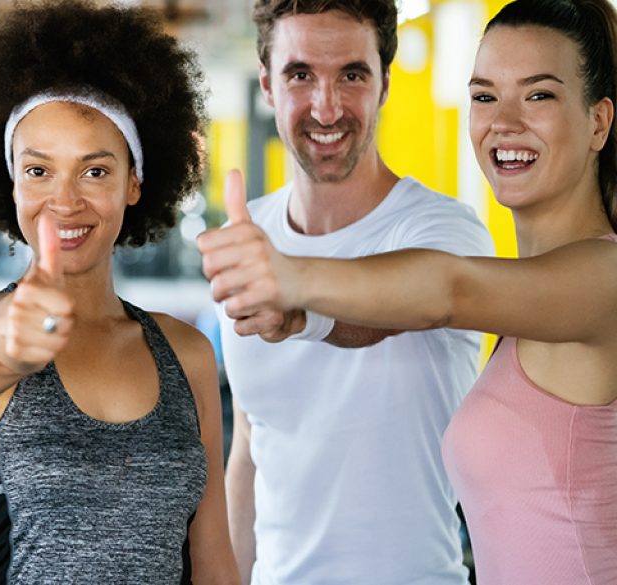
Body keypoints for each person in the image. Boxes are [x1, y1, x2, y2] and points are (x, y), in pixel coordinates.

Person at [203, 0, 617, 583]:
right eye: (483, 96)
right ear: (267, 83)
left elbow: (442, 292)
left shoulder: (592, 273)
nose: (505, 120)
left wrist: (295, 294)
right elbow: (252, 445)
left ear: (599, 121)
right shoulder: (536, 299)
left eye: (539, 94)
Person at [0, 1, 239, 582]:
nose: (66, 201)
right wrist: (13, 338)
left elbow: (214, 562)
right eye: (38, 170)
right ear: (10, 183)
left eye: (95, 170)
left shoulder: (186, 355)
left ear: (135, 182)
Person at [198, 1, 496, 584]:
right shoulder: (247, 239)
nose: (326, 106)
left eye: (352, 75)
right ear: (267, 83)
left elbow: (409, 304)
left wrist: (299, 309)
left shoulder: (445, 232)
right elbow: (254, 452)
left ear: (385, 82)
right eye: (301, 74)